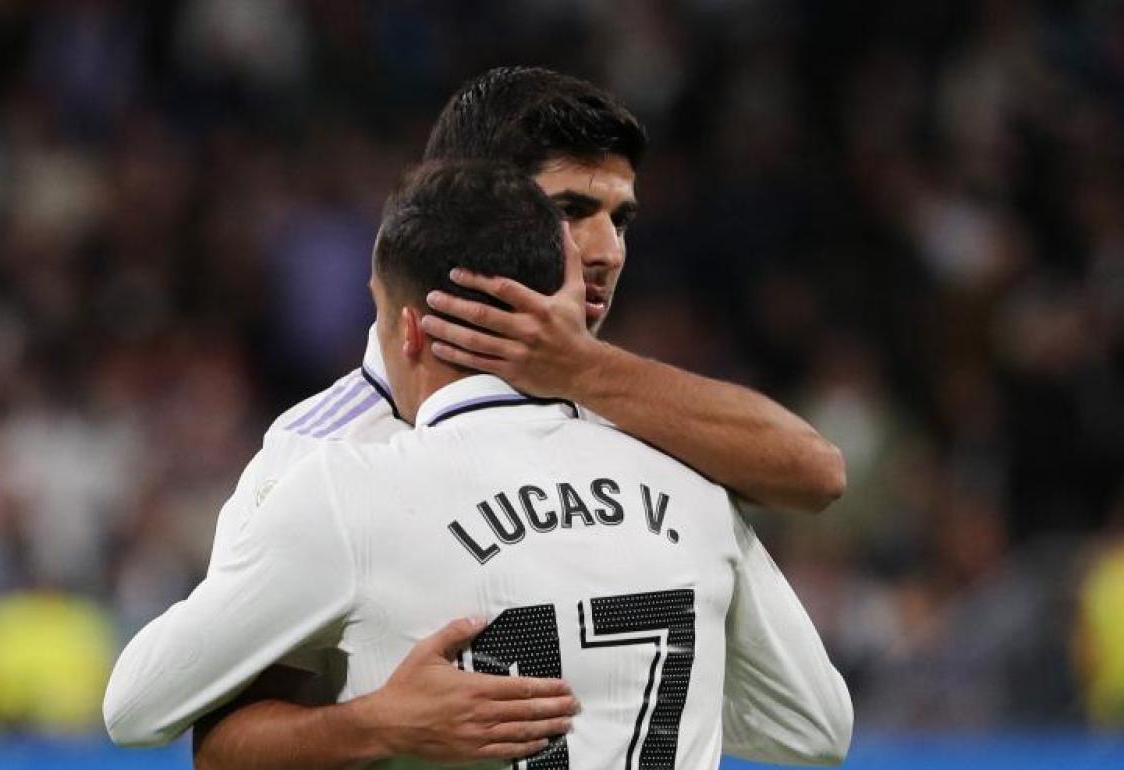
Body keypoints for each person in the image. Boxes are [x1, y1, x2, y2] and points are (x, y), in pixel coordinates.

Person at [114, 66, 849, 767]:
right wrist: (378, 726)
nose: (605, 251)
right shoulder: (314, 458)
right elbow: (221, 746)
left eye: (620, 219)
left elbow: (817, 473)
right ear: (468, 201)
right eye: (568, 212)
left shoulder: (642, 423)